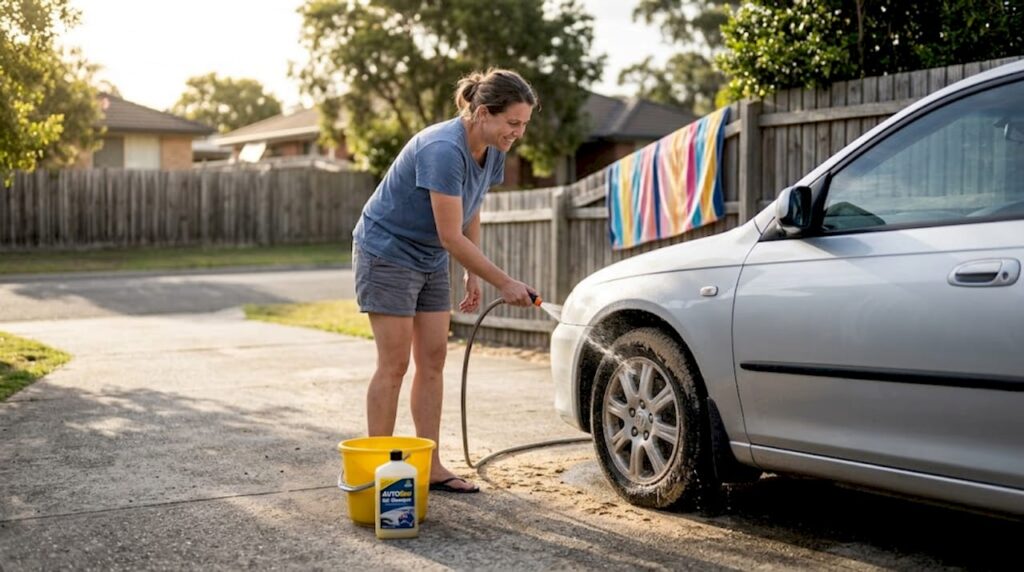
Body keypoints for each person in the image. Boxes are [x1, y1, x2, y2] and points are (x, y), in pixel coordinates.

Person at [351, 68, 538, 493]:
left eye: (524, 124)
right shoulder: (441, 148)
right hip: (387, 252)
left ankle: (431, 465)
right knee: (394, 363)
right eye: (512, 123)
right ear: (483, 113)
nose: (518, 133)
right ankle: (375, 469)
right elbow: (450, 234)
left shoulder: (492, 150)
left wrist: (473, 272)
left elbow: (469, 209)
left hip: (431, 256)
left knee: (433, 359)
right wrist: (503, 282)